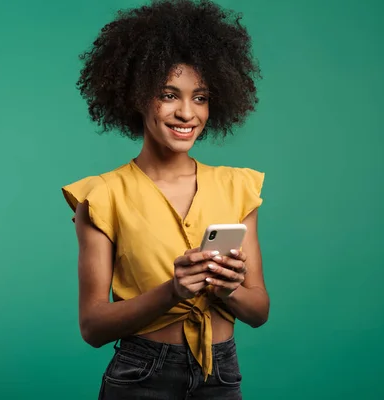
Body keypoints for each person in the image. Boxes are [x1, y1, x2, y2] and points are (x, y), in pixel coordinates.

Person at [61, 0, 269, 398]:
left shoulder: (238, 188)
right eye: (169, 95)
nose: (187, 113)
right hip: (142, 376)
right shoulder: (101, 196)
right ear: (138, 96)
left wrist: (227, 290)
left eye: (201, 97)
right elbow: (92, 326)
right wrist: (171, 291)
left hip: (221, 375)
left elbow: (259, 311)